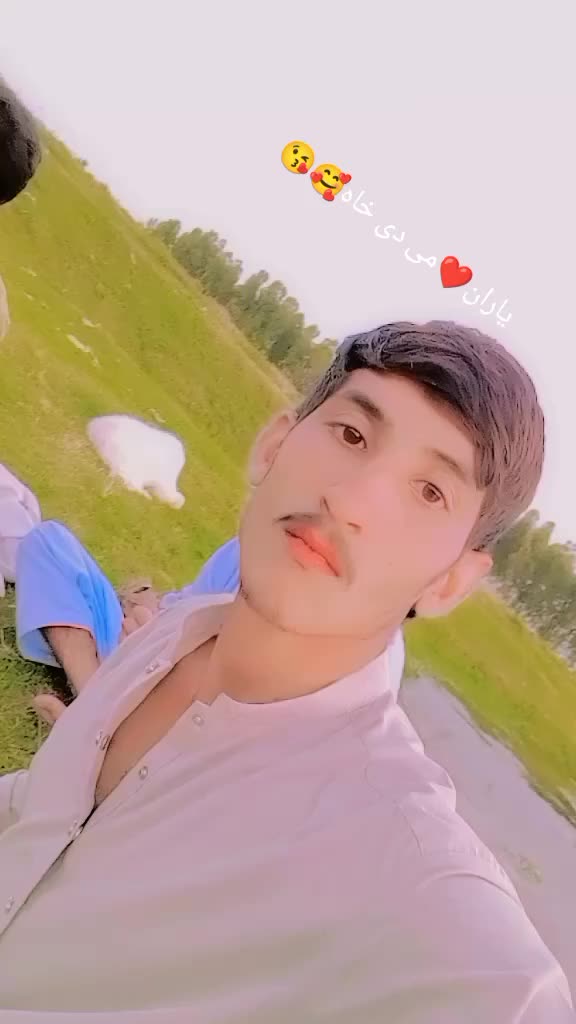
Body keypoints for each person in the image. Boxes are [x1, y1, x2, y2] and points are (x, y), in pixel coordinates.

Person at [0, 320, 573, 1021]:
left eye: (429, 492)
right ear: (274, 445)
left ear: (450, 582)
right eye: (352, 435)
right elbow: (39, 814)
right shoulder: (177, 635)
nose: (351, 501)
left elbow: (507, 990)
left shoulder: (397, 860)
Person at [12, 523, 405, 725]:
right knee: (48, 543)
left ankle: (91, 725)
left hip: (187, 727)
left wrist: (160, 641)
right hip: (146, 660)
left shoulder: (368, 656)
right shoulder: (263, 541)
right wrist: (152, 610)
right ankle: (92, 708)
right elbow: (187, 605)